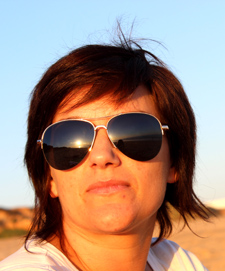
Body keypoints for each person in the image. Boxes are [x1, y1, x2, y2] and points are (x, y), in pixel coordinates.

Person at [0, 31, 210, 271]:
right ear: (49, 178)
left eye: (133, 133)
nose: (102, 156)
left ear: (174, 162)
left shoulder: (178, 262)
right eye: (70, 140)